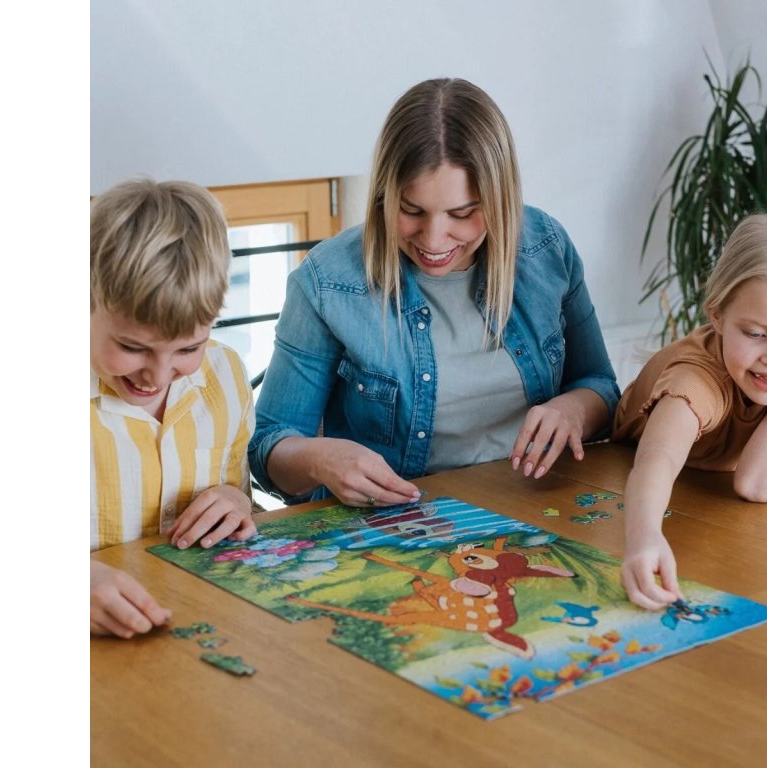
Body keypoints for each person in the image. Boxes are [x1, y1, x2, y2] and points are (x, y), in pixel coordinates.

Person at [249, 78, 620, 506]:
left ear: (500, 199)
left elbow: (601, 386)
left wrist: (573, 409)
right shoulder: (328, 281)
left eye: (462, 214)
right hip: (396, 523)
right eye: (411, 210)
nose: (434, 239)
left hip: (542, 505)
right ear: (384, 195)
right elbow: (268, 446)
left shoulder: (545, 248)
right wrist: (319, 460)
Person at [613, 214, 767, 611]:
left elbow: (759, 483)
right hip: (611, 477)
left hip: (721, 506)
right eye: (756, 334)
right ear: (717, 315)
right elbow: (657, 459)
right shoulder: (696, 380)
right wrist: (644, 537)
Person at [90, 178, 257, 638]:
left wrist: (238, 500)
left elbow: (237, 496)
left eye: (188, 348)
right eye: (132, 347)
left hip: (198, 628)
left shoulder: (226, 376)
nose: (158, 375)